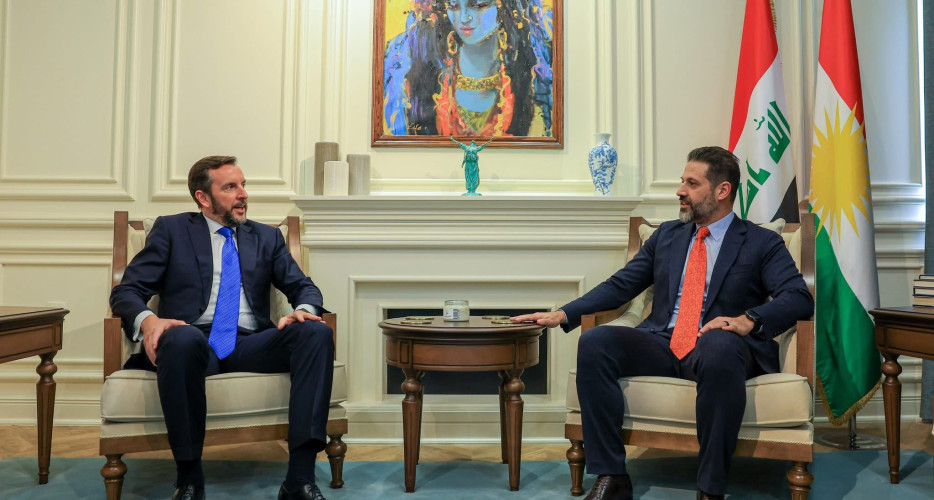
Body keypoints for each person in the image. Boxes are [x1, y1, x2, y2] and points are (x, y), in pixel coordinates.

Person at [512, 147, 814, 500]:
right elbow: (622, 285)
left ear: (722, 190)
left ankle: (710, 489)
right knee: (595, 343)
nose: (680, 191)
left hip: (721, 346)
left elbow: (799, 297)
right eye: (682, 182)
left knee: (718, 344)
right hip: (663, 341)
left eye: (692, 183)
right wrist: (564, 313)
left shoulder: (762, 241)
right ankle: (612, 476)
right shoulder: (668, 235)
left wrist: (748, 320)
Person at [110, 156, 334, 500]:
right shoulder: (172, 230)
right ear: (203, 197)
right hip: (193, 342)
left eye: (243, 185)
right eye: (230, 187)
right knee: (181, 338)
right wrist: (150, 321)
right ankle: (189, 480)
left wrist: (302, 311)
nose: (243, 194)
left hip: (250, 343)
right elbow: (126, 291)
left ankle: (299, 479)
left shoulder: (266, 237)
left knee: (316, 331)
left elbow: (303, 287)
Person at [383, 0, 554, 137]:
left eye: (478, 5)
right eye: (454, 6)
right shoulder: (417, 77)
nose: (464, 18)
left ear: (504, 8)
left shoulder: (537, 77)